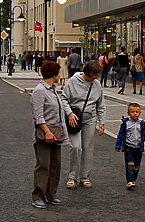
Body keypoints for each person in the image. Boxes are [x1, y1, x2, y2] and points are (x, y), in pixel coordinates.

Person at [61, 60, 106, 189]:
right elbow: (63, 98)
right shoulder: (72, 82)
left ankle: (85, 176)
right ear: (88, 73)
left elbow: (100, 104)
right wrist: (69, 113)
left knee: (87, 147)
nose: (97, 78)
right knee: (75, 147)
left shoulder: (96, 85)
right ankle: (72, 176)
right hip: (74, 118)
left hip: (90, 118)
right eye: (95, 75)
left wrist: (101, 122)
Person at [31, 60, 66, 209]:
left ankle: (51, 194)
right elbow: (38, 115)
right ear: (54, 74)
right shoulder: (40, 90)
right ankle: (38, 196)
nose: (60, 75)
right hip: (45, 133)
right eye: (59, 72)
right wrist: (47, 132)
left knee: (55, 165)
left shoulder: (52, 89)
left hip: (56, 132)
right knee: (43, 165)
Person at [115, 103, 145, 190]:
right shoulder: (126, 123)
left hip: (138, 147)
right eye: (132, 112)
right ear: (128, 113)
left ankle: (134, 178)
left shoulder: (142, 124)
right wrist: (118, 145)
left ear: (140, 113)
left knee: (137, 165)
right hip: (129, 146)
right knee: (129, 164)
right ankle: (130, 180)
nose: (134, 114)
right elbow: (121, 134)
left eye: (136, 112)